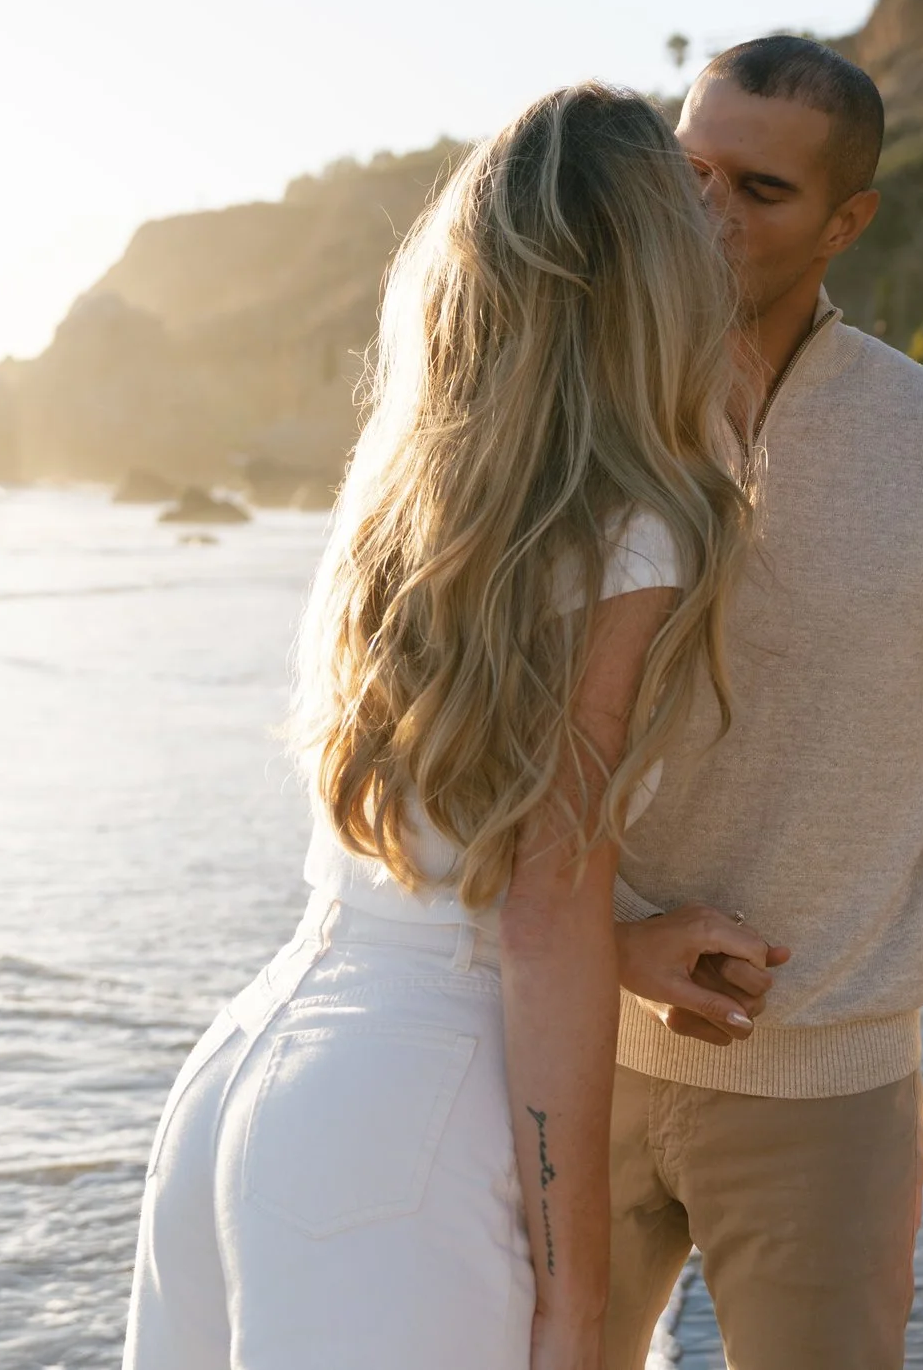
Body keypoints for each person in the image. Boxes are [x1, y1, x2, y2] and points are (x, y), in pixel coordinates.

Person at [122, 83, 770, 1370]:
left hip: (247, 1073)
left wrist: (618, 940)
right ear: (650, 283)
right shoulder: (632, 530)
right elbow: (538, 910)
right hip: (399, 1131)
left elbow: (446, 855)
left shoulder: (405, 500)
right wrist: (578, 1293)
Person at [600, 37, 923, 1370]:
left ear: (847, 221)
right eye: (687, 171)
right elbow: (465, 737)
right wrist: (602, 938)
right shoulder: (585, 415)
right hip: (557, 1048)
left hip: (825, 1094)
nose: (706, 215)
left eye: (759, 190)